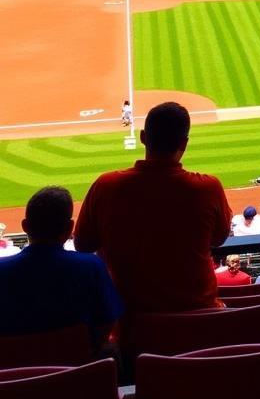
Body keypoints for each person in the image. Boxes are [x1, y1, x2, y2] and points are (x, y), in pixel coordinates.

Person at [74, 102, 232, 314]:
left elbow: (83, 243)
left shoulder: (106, 185)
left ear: (143, 137)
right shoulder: (208, 187)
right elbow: (219, 238)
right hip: (199, 318)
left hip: (131, 324)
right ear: (184, 144)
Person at [0, 186, 121, 349]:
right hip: (79, 370)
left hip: (16, 372)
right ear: (70, 228)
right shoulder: (91, 267)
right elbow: (108, 322)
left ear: (25, 226)